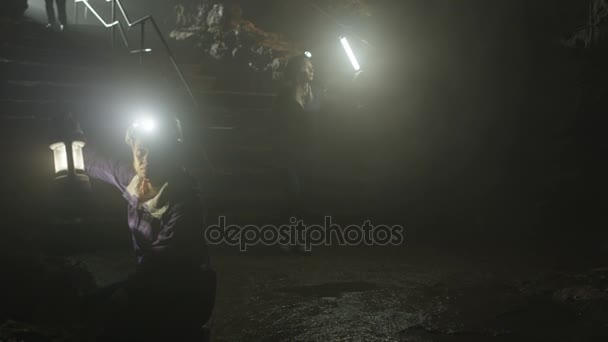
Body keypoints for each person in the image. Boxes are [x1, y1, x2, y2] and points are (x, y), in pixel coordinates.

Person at [82, 115, 215, 341]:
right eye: (141, 152)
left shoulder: (185, 200)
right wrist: (72, 143)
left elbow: (162, 258)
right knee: (87, 307)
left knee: (107, 315)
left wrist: (126, 293)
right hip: (150, 283)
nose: (148, 160)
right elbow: (97, 162)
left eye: (158, 151)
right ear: (133, 151)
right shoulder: (136, 183)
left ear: (174, 151)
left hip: (184, 294)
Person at [272, 54, 324, 254]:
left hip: (310, 152)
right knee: (293, 194)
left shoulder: (318, 94)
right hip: (287, 152)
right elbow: (275, 124)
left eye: (312, 66)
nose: (311, 70)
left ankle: (301, 238)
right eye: (306, 66)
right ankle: (285, 236)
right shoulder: (285, 95)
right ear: (295, 70)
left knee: (306, 196)